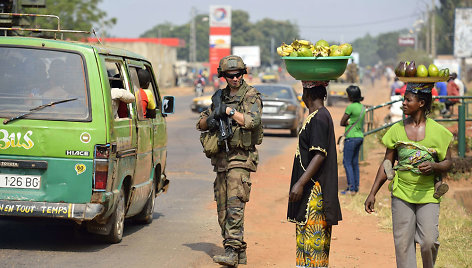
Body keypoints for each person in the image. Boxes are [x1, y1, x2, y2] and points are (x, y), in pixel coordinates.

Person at [365, 83, 453, 268]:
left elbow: (448, 163)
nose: (403, 103)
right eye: (403, 99)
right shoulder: (396, 130)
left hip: (428, 193)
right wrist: (372, 193)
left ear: (421, 103)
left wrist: (435, 166)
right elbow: (387, 163)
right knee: (403, 244)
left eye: (407, 100)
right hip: (401, 192)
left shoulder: (439, 132)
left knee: (429, 241)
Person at [196, 55, 263, 267]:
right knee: (223, 208)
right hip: (222, 160)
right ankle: (238, 251)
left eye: (238, 75)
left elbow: (252, 121)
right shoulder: (220, 96)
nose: (235, 79)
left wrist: (230, 112)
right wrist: (212, 118)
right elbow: (200, 124)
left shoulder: (251, 95)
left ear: (243, 74)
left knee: (235, 205)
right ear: (223, 76)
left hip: (241, 158)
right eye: (230, 75)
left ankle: (232, 251)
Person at [287, 80, 342, 268]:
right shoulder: (317, 116)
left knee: (313, 250)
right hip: (310, 192)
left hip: (314, 194)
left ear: (306, 94)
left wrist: (300, 183)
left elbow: (319, 154)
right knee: (306, 249)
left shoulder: (319, 118)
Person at [340, 85, 365, 194]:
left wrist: (347, 122)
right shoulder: (362, 107)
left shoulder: (350, 107)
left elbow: (342, 122)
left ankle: (351, 188)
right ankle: (355, 187)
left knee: (347, 162)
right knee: (354, 162)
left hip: (351, 137)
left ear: (351, 96)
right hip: (360, 136)